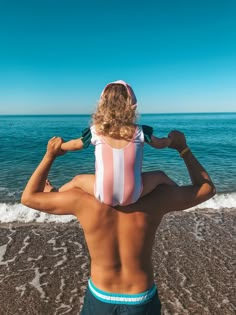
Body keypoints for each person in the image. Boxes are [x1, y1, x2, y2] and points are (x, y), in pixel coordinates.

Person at [21, 130, 215, 315]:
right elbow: (206, 189)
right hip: (141, 296)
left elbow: (29, 197)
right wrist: (183, 149)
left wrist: (50, 156)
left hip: (101, 296)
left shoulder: (81, 200)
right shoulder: (159, 196)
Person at [58, 80, 175, 206]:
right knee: (160, 176)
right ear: (131, 105)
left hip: (103, 194)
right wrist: (170, 140)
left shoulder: (96, 131)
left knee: (77, 180)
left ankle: (55, 194)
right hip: (133, 195)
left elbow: (75, 145)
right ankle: (181, 195)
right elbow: (160, 144)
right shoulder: (140, 131)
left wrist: (61, 145)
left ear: (102, 105)